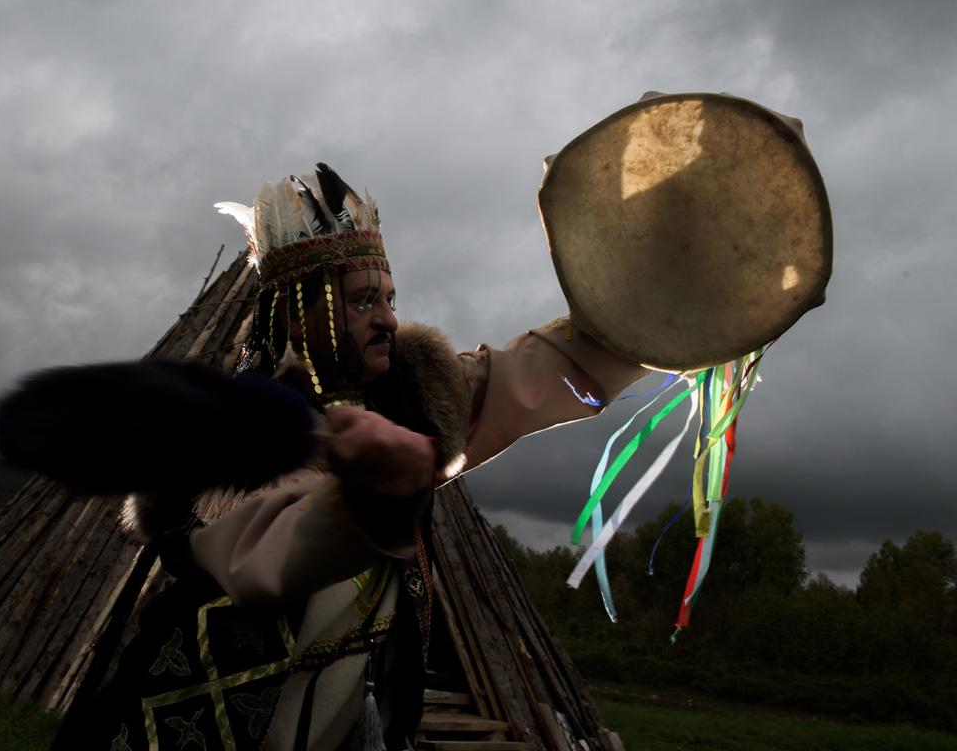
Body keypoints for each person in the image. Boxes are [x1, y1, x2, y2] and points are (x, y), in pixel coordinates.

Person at [48, 163, 648, 751]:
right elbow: (263, 549)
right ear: (292, 314)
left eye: (390, 297)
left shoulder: (413, 391)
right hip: (229, 720)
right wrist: (367, 494)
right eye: (363, 302)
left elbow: (534, 374)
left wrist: (663, 308)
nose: (388, 318)